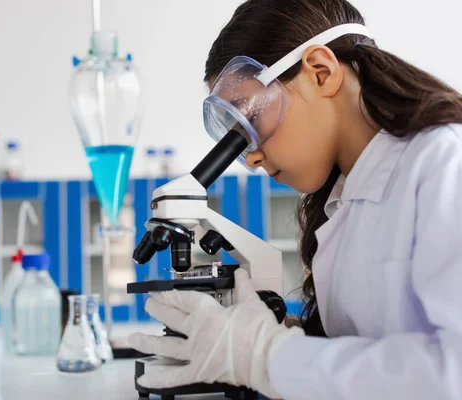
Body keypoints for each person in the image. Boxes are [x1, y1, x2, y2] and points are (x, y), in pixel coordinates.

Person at [128, 0, 462, 399]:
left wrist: (268, 357)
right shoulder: (338, 205)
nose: (250, 158)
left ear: (321, 72)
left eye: (251, 121)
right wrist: (289, 341)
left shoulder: (446, 162)